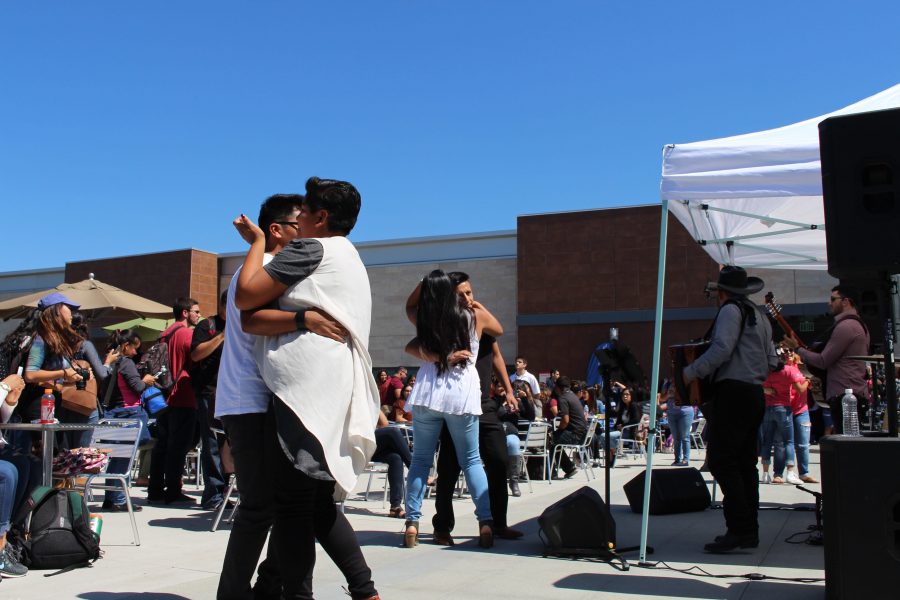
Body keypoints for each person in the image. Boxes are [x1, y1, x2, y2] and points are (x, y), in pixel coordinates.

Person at [234, 178, 380, 600]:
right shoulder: (351, 256)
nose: (298, 219)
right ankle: (364, 590)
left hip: (303, 393)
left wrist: (257, 242)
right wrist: (302, 318)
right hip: (332, 392)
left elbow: (246, 297)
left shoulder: (312, 248)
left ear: (321, 217)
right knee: (314, 504)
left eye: (305, 211)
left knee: (293, 508)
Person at [403, 269, 503, 549]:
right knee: (471, 460)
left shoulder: (428, 317)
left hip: (427, 392)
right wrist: (479, 306)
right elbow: (498, 329)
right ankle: (485, 521)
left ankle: (412, 522)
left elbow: (409, 306)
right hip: (461, 394)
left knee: (421, 460)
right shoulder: (476, 317)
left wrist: (425, 283)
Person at [682, 266, 777, 553]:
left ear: (722, 293)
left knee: (723, 461)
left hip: (733, 392)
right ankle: (749, 530)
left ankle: (739, 528)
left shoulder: (729, 311)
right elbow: (772, 361)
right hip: (754, 393)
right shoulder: (760, 315)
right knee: (745, 463)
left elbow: (722, 348)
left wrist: (691, 372)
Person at [430, 271, 521, 545]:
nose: (468, 298)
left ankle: (498, 523)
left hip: (484, 404)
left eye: (470, 293)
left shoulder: (480, 322)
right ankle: (442, 528)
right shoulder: (447, 326)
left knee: (498, 460)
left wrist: (509, 389)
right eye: (461, 295)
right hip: (456, 404)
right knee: (448, 466)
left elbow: (495, 354)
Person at [782, 285, 870, 434]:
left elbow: (823, 361)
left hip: (845, 395)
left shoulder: (847, 326)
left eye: (833, 299)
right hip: (849, 393)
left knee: (848, 445)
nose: (829, 303)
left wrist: (798, 349)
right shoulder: (856, 324)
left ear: (845, 301)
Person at [147, 297, 201, 505]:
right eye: (195, 311)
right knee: (179, 445)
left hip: (163, 396)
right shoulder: (187, 334)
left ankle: (155, 489)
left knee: (162, 444)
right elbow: (196, 357)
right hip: (183, 394)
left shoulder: (165, 334)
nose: (198, 314)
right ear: (185, 313)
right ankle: (173, 490)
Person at [23, 293, 90, 451]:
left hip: (52, 404)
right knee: (48, 457)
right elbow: (30, 374)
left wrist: (74, 374)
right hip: (39, 405)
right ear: (57, 310)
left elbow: (55, 373)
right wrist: (64, 373)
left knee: (57, 456)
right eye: (69, 308)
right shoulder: (41, 339)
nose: (72, 314)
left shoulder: (54, 339)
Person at [100, 328, 153, 512]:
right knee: (124, 458)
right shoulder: (127, 363)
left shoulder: (111, 362)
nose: (136, 352)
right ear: (125, 346)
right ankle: (119, 499)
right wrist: (146, 380)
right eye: (134, 348)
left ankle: (110, 497)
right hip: (129, 414)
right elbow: (137, 387)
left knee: (116, 458)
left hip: (113, 413)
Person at [190, 290, 229, 510]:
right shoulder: (207, 326)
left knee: (228, 444)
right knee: (212, 443)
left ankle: (225, 492)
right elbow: (195, 354)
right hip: (208, 391)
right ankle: (213, 494)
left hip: (230, 392)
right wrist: (222, 336)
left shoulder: (242, 324)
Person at [760, 350, 808, 485]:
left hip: (768, 408)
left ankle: (765, 473)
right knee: (789, 441)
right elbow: (800, 389)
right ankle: (790, 472)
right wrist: (808, 381)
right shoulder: (789, 370)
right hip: (784, 408)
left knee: (767, 442)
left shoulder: (765, 371)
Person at [372, 411, 412, 518]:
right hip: (356, 445)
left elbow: (384, 424)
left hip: (371, 447)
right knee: (392, 432)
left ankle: (395, 507)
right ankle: (415, 471)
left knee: (396, 458)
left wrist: (377, 405)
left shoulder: (369, 401)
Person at [549, 376, 587, 479]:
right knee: (555, 439)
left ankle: (551, 472)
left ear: (557, 387)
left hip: (574, 435)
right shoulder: (574, 396)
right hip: (583, 434)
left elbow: (565, 420)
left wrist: (559, 430)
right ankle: (569, 468)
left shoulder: (563, 398)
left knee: (549, 440)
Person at [666, 381, 696, 467]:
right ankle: (677, 460)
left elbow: (692, 396)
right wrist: (668, 394)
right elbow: (662, 398)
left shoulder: (687, 382)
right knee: (676, 437)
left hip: (685, 412)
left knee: (685, 436)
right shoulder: (668, 384)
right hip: (672, 412)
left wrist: (676, 393)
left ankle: (685, 460)